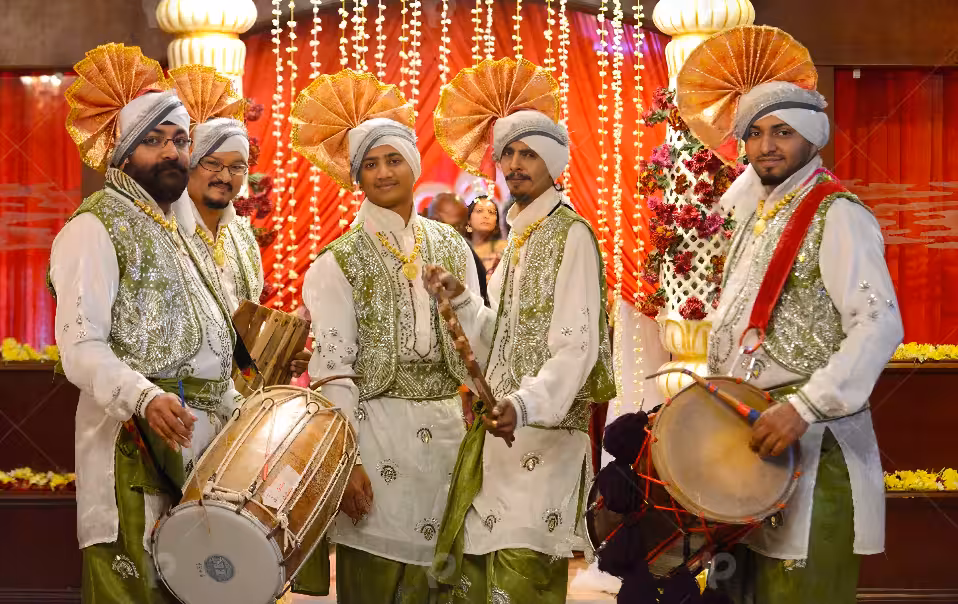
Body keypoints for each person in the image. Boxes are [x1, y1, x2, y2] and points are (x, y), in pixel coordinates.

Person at [676, 25, 904, 603]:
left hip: (814, 448)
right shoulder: (758, 215)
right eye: (753, 134)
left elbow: (879, 325)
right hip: (752, 450)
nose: (766, 146)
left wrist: (802, 407)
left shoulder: (837, 214)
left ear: (812, 139)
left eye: (783, 132)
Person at [49, 44, 240, 602]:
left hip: (202, 448)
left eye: (181, 140)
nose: (172, 153)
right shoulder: (95, 227)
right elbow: (80, 349)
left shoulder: (179, 233)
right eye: (154, 141)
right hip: (130, 442)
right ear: (124, 153)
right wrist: (144, 398)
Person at [425, 58, 615, 603]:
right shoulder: (522, 239)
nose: (514, 163)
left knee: (522, 574)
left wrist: (525, 406)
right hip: (500, 432)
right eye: (506, 153)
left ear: (554, 162)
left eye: (527, 152)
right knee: (482, 576)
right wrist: (461, 301)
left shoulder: (571, 234)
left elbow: (576, 346)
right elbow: (498, 339)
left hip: (544, 437)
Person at [290, 69, 481, 603]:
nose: (382, 172)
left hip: (446, 440)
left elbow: (480, 342)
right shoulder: (337, 262)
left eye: (393, 159)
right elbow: (334, 373)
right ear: (356, 177)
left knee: (442, 586)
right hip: (375, 445)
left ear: (414, 166)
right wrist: (344, 462)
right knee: (374, 583)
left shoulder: (450, 244)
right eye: (369, 164)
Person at [170, 65, 309, 379]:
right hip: (177, 393)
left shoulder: (242, 237)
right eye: (213, 163)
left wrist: (283, 352)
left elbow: (245, 323)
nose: (224, 176)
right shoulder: (166, 230)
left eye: (236, 167)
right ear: (191, 164)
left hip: (236, 392)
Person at [428, 192, 488, 304]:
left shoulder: (468, 252)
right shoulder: (413, 249)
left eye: (461, 227)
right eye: (454, 227)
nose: (457, 234)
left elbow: (482, 303)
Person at [466, 195, 507, 278]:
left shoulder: (507, 249)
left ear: (496, 224)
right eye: (479, 211)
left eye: (491, 212)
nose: (486, 216)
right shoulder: (462, 251)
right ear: (468, 221)